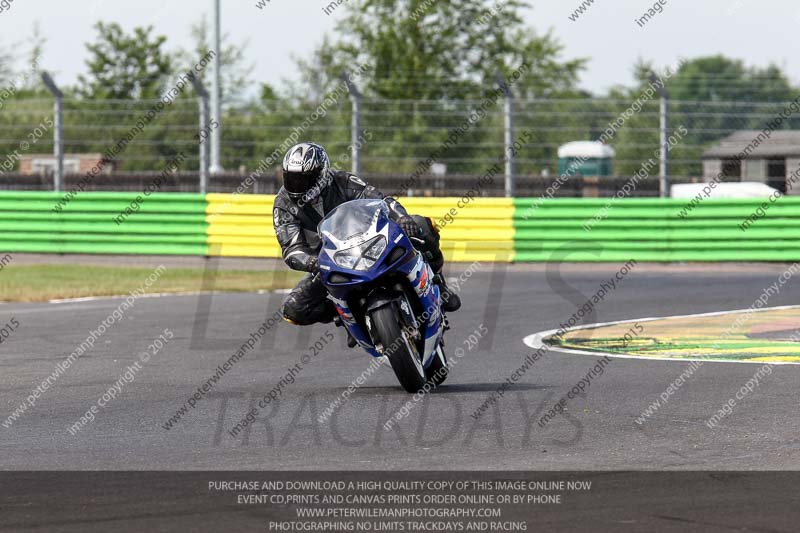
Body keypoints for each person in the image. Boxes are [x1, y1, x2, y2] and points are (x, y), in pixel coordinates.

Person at [273, 141, 461, 328]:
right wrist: (313, 262)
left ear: (322, 174)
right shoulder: (283, 204)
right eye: (292, 179)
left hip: (368, 241)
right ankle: (349, 317)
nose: (297, 185)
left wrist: (402, 217)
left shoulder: (343, 181)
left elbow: (380, 200)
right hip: (329, 261)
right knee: (293, 310)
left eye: (304, 179)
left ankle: (439, 284)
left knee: (422, 224)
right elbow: (291, 249)